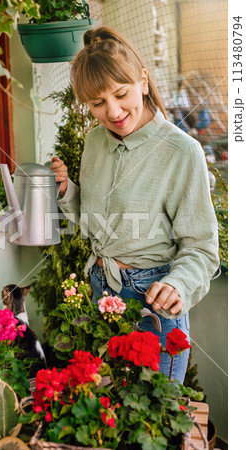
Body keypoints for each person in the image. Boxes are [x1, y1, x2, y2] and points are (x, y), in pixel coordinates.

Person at [51, 26, 219, 383]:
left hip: (152, 299)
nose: (112, 111)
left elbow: (202, 249)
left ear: (143, 81)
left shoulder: (182, 151)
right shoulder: (94, 142)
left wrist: (180, 285)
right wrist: (67, 190)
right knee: (113, 414)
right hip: (102, 291)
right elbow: (96, 224)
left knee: (153, 424)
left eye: (121, 93)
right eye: (97, 103)